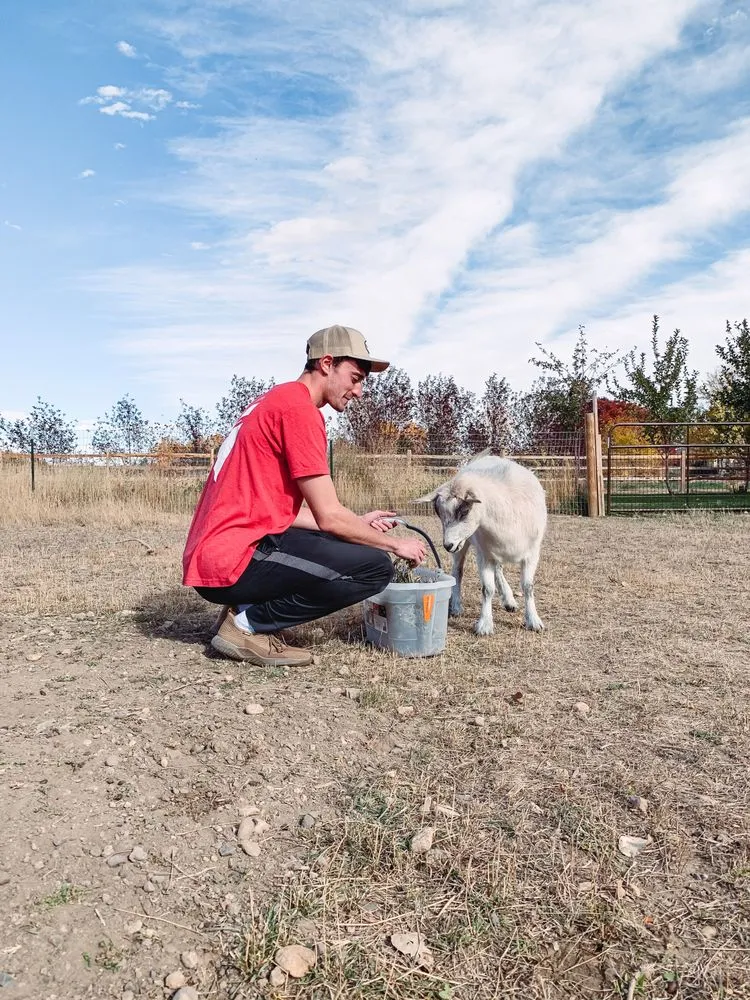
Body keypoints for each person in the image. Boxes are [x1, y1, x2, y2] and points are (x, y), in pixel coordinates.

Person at [182, 324, 427, 666]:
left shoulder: (274, 400)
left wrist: (356, 523)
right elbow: (328, 516)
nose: (358, 391)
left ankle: (246, 609)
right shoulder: (299, 410)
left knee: (346, 542)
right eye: (354, 377)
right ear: (327, 363)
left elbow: (282, 512)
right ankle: (246, 625)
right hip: (231, 561)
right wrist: (395, 544)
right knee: (374, 568)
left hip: (217, 555)